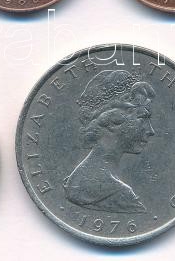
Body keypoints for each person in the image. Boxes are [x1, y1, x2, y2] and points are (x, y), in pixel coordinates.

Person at [63, 70, 156, 213]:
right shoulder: (121, 195)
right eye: (142, 118)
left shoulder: (76, 180)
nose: (150, 130)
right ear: (113, 121)